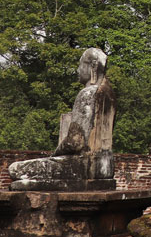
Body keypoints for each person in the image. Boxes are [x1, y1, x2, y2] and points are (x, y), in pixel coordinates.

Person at [8, 48, 115, 190]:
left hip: (82, 165)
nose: (78, 70)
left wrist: (56, 153)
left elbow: (75, 142)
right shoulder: (109, 95)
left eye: (81, 64)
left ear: (93, 66)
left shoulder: (87, 94)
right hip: (106, 167)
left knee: (15, 169)